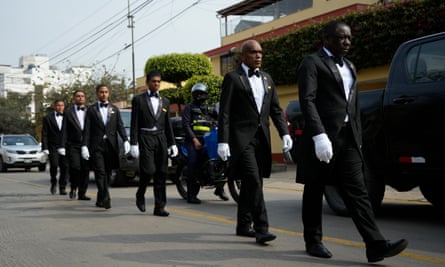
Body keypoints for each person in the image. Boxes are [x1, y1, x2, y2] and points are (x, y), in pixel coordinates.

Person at [296, 21, 408, 263]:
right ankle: (313, 241)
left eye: (349, 38)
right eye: (341, 38)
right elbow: (308, 100)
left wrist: (359, 138)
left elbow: (352, 106)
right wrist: (318, 134)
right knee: (315, 189)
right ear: (326, 39)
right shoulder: (312, 63)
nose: (347, 42)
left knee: (358, 192)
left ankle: (375, 244)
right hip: (322, 138)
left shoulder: (350, 65)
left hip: (348, 139)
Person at [217, 39, 293, 244]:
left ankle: (243, 225)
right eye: (252, 52)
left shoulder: (267, 78)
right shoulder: (233, 78)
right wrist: (222, 141)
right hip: (241, 140)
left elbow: (276, 110)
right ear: (243, 56)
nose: (258, 55)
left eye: (260, 52)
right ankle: (262, 228)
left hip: (262, 139)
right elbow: (224, 112)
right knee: (253, 180)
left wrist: (285, 134)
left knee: (252, 184)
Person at [130, 70, 178, 217]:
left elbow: (167, 124)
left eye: (158, 81)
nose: (156, 84)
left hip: (161, 138)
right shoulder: (138, 100)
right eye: (153, 81)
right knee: (148, 170)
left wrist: (172, 143)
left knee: (162, 173)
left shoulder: (166, 100)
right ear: (147, 83)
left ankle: (160, 207)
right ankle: (140, 194)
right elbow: (134, 123)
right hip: (145, 137)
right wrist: (133, 143)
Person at [82, 84, 130, 209]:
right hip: (96, 146)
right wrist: (85, 146)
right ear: (97, 94)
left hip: (111, 146)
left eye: (106, 92)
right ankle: (106, 197)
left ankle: (100, 198)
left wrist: (126, 140)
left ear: (109, 94)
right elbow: (87, 129)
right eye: (101, 92)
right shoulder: (91, 110)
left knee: (108, 173)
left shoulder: (114, 109)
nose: (104, 94)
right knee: (100, 172)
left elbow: (120, 126)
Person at [182, 83, 229, 204]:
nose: (200, 96)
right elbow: (186, 125)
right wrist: (194, 139)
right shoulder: (189, 108)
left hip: (208, 140)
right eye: (197, 93)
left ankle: (219, 189)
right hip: (193, 140)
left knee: (221, 161)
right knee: (194, 162)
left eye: (202, 93)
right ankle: (191, 195)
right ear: (193, 95)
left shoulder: (209, 108)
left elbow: (221, 117)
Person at [64, 90, 91, 201]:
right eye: (78, 96)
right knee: (75, 168)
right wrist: (62, 146)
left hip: (87, 145)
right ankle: (73, 187)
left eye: (82, 96)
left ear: (85, 98)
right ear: (74, 98)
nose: (80, 98)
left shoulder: (90, 111)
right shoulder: (68, 111)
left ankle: (82, 193)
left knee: (85, 169)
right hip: (73, 145)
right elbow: (64, 129)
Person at [41, 99, 68, 195]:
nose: (60, 107)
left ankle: (62, 187)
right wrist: (45, 147)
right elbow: (44, 133)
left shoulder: (68, 117)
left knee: (65, 167)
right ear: (54, 106)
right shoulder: (48, 118)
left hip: (65, 146)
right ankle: (53, 183)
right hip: (53, 146)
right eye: (58, 105)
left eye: (62, 105)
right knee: (54, 165)